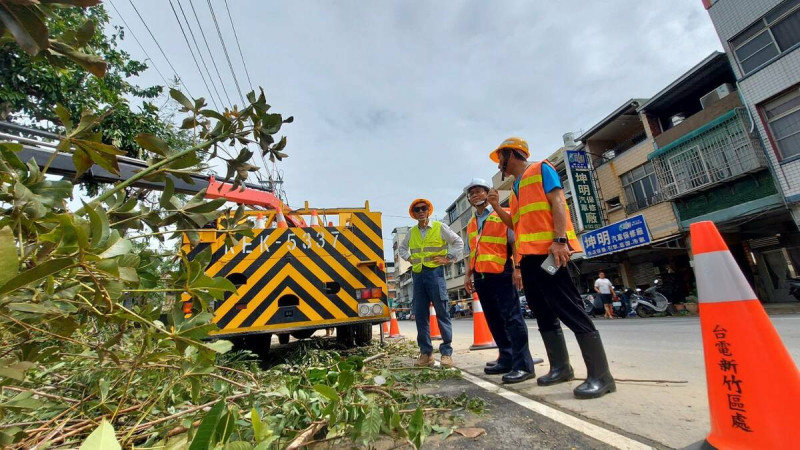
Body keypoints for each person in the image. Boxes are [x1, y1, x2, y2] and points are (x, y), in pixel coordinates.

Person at [487, 137, 616, 399]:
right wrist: (495, 207)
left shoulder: (541, 169)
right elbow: (515, 223)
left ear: (512, 154)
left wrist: (560, 241)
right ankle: (561, 367)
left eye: (500, 157)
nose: (499, 163)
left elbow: (558, 202)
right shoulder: (515, 188)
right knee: (543, 311)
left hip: (550, 254)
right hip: (530, 259)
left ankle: (602, 377)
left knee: (569, 308)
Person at [463, 178, 536, 383]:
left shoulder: (502, 214)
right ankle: (506, 357)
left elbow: (515, 242)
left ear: (488, 193)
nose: (476, 195)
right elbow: (473, 251)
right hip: (481, 275)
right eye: (472, 193)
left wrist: (518, 268)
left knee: (511, 317)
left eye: (479, 191)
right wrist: (468, 274)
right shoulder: (471, 223)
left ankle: (524, 365)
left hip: (502, 271)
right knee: (494, 318)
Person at [398, 198, 463, 367]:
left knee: (442, 313)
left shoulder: (439, 227)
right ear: (414, 214)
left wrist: (448, 258)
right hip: (418, 276)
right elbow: (402, 249)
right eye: (417, 209)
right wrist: (409, 258)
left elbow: (458, 242)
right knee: (420, 315)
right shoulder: (412, 233)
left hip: (435, 273)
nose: (420, 211)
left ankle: (446, 353)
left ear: (428, 211)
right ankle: (426, 354)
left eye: (423, 208)